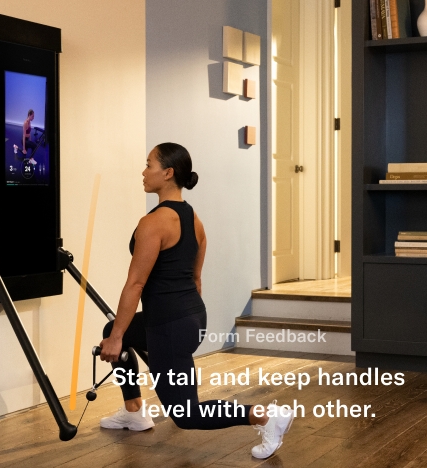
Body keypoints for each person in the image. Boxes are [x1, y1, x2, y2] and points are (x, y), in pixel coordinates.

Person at [98, 143, 294, 459]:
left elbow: (135, 284)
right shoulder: (194, 220)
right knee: (113, 327)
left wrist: (118, 339)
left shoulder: (153, 223)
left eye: (149, 164)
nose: (144, 171)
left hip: (169, 325)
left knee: (187, 415)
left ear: (168, 172)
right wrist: (121, 332)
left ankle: (265, 416)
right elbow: (196, 280)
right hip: (191, 317)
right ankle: (134, 410)